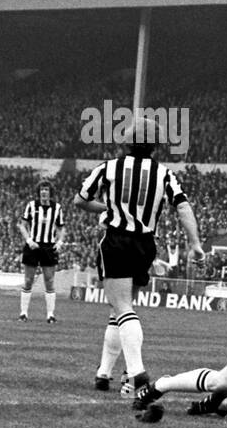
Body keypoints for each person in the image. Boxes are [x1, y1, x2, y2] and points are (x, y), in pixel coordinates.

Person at [74, 121, 205, 407]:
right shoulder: (164, 174)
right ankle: (104, 373)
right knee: (120, 310)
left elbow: (80, 200)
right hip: (145, 245)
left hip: (117, 240)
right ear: (154, 146)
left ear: (127, 143)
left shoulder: (108, 168)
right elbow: (183, 207)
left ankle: (136, 375)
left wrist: (107, 208)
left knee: (122, 308)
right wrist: (195, 244)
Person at [17, 179, 65, 323]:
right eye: (42, 190)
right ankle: (23, 313)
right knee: (28, 280)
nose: (44, 192)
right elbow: (22, 225)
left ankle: (50, 315)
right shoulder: (31, 206)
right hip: (33, 246)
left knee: (49, 280)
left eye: (46, 190)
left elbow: (61, 227)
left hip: (48, 247)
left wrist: (60, 241)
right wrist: (29, 240)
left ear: (50, 193)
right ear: (39, 192)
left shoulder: (57, 208)